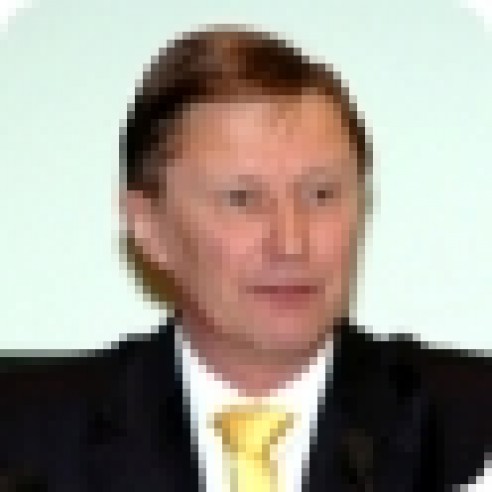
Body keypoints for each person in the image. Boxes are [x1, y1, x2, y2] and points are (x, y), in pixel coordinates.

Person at [0, 25, 491, 492]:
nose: (291, 243)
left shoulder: (473, 424)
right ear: (149, 228)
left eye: (321, 194)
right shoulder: (21, 438)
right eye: (242, 199)